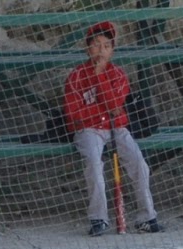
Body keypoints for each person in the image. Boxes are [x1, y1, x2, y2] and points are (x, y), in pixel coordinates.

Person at [62, 21, 161, 237]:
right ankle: (99, 218)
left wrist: (99, 77)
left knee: (139, 163)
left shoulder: (118, 74)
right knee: (94, 164)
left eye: (107, 46)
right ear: (87, 48)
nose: (101, 50)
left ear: (112, 50)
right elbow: (73, 114)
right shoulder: (76, 76)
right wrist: (103, 111)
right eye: (96, 45)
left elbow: (115, 104)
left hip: (117, 127)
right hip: (88, 130)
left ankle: (146, 217)